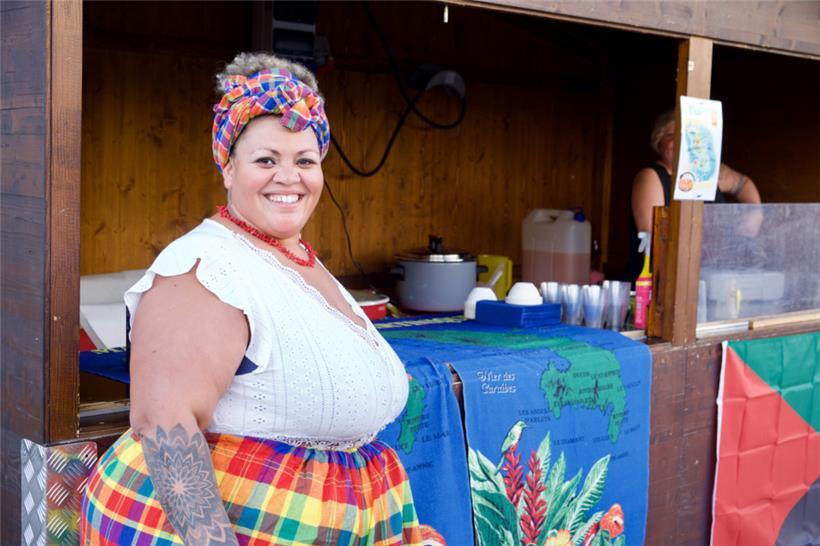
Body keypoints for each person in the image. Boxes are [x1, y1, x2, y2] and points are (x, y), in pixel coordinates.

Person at [81, 52, 422, 545]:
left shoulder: (297, 260)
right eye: (266, 160)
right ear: (228, 167)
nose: (289, 177)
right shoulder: (205, 266)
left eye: (305, 161)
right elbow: (163, 423)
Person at [626, 109, 762, 282]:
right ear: (658, 141)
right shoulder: (651, 176)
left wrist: (756, 212)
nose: (682, 141)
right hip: (663, 282)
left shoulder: (709, 171)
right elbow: (654, 240)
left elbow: (742, 184)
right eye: (672, 135)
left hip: (710, 277)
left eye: (689, 135)